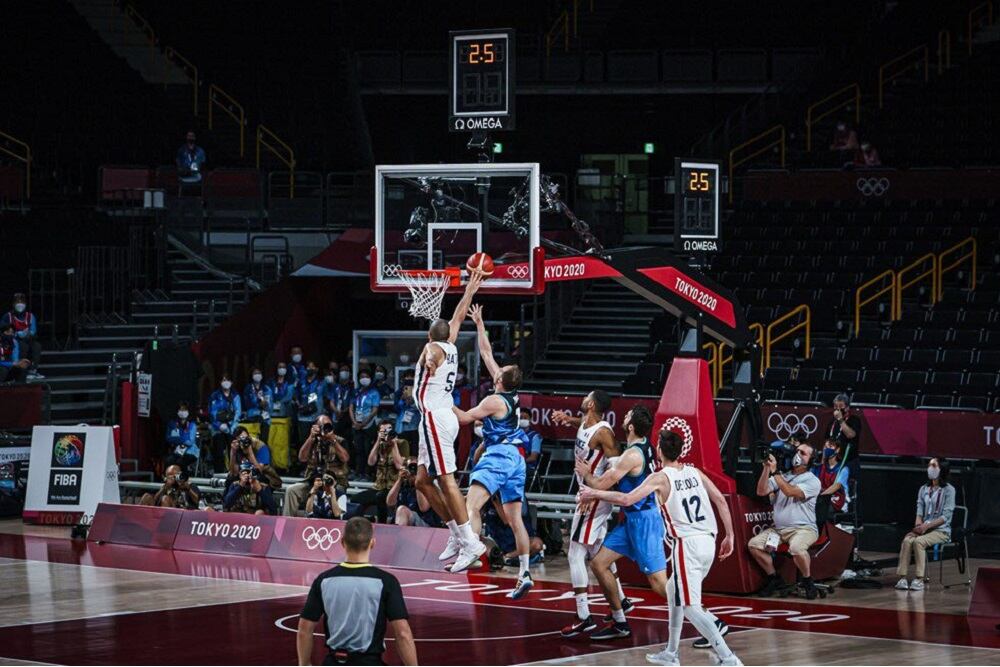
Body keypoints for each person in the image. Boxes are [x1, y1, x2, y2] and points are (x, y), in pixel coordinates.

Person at [579, 428, 741, 666]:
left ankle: (728, 657)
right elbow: (720, 500)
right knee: (674, 593)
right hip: (709, 541)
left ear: (659, 451)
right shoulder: (695, 471)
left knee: (690, 607)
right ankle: (671, 653)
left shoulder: (660, 478)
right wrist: (730, 536)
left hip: (687, 545)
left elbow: (626, 499)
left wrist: (594, 492)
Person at [453, 303, 532, 593]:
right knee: (515, 520)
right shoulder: (511, 393)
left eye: (501, 369)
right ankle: (525, 573)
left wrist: (441, 399)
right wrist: (479, 323)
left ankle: (472, 551)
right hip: (516, 459)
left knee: (470, 506)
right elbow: (486, 353)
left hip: (499, 455)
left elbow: (464, 418)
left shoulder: (493, 401)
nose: (497, 367)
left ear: (500, 380)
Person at [412, 270, 486, 573]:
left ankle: (471, 542)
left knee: (446, 480)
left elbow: (431, 355)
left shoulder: (433, 348)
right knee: (421, 481)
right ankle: (456, 534)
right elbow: (458, 316)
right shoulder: (451, 345)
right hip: (440, 417)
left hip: (436, 419)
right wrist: (469, 290)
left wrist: (429, 361)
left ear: (429, 336)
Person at [573, 405, 667, 640]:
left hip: (645, 521)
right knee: (598, 564)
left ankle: (706, 617)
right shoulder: (644, 446)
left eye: (627, 416)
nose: (623, 417)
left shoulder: (631, 456)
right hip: (632, 520)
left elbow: (600, 485)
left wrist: (586, 474)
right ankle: (619, 621)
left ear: (631, 426)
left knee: (659, 584)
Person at [552, 390, 631, 638]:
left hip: (592, 498)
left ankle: (583, 615)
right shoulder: (587, 423)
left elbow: (616, 468)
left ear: (591, 404)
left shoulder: (604, 433)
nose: (583, 399)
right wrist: (568, 419)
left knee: (575, 553)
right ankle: (621, 602)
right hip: (588, 493)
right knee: (597, 552)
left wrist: (595, 492)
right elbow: (584, 427)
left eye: (587, 397)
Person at [297, 517, 417, 666]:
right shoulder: (386, 582)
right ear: (372, 543)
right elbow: (402, 633)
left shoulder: (323, 580)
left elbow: (304, 629)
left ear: (342, 542)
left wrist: (304, 664)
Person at [748, 442, 822, 599]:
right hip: (779, 530)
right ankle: (774, 578)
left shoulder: (812, 480)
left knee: (796, 548)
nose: (798, 454)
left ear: (811, 460)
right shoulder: (784, 476)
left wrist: (775, 472)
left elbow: (789, 491)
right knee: (754, 545)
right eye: (797, 451)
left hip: (804, 528)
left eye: (803, 453)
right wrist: (766, 468)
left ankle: (807, 580)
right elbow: (761, 491)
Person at [895, 457, 956, 591]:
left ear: (942, 469)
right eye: (929, 466)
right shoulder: (923, 489)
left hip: (941, 531)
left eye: (934, 466)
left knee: (919, 542)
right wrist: (918, 528)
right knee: (907, 540)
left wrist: (926, 527)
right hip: (924, 529)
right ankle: (902, 577)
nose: (930, 469)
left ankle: (919, 579)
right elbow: (919, 510)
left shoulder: (949, 490)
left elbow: (945, 517)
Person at [285, 415, 351, 517]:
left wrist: (333, 440)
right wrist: (311, 438)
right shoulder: (312, 440)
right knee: (291, 490)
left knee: (338, 492)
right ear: (316, 427)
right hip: (313, 481)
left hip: (334, 483)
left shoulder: (340, 441)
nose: (326, 429)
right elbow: (302, 458)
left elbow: (345, 458)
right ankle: (287, 522)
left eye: (329, 425)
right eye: (323, 426)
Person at [347, 421, 404, 524]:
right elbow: (371, 462)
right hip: (378, 487)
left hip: (393, 488)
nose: (387, 433)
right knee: (355, 499)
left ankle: (382, 525)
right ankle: (365, 523)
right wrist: (378, 441)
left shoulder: (401, 444)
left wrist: (394, 445)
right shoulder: (378, 446)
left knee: (380, 497)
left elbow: (399, 465)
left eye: (389, 430)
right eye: (384, 431)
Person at [350, 368, 382, 480]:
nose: (364, 379)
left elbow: (374, 410)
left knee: (368, 448)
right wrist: (354, 421)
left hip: (369, 425)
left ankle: (368, 473)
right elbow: (351, 407)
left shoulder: (374, 392)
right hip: (356, 424)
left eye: (367, 377)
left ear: (371, 378)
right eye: (362, 377)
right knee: (358, 449)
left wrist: (364, 423)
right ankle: (358, 472)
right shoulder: (356, 392)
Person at [0, 293, 42, 379]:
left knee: (37, 346)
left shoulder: (30, 316)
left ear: (25, 304)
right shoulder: (8, 316)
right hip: (12, 339)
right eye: (17, 302)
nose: (20, 304)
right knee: (23, 346)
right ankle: (20, 369)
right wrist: (17, 334)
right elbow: (3, 330)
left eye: (22, 302)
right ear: (13, 304)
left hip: (27, 339)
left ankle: (32, 371)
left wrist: (28, 333)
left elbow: (33, 331)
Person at [389, 458, 440, 528]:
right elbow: (390, 503)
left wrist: (418, 482)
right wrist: (399, 480)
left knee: (402, 510)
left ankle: (398, 534)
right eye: (410, 467)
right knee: (401, 510)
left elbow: (424, 508)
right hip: (405, 523)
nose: (413, 470)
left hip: (425, 525)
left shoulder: (427, 484)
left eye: (416, 467)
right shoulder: (403, 485)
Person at [208, 374, 242, 473]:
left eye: (227, 380)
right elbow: (212, 413)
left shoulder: (235, 395)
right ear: (220, 382)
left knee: (233, 451)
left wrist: (232, 427)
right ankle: (218, 473)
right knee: (219, 451)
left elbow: (238, 412)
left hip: (231, 427)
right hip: (218, 428)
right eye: (223, 380)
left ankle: (234, 473)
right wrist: (219, 425)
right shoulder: (215, 395)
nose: (226, 382)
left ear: (231, 382)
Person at [813, 436, 850, 519]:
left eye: (830, 446)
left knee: (820, 509)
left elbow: (835, 486)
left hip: (837, 500)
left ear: (837, 449)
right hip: (821, 499)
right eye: (825, 447)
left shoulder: (843, 469)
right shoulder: (820, 467)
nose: (827, 449)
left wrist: (820, 496)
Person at [826, 394, 861, 475]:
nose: (838, 409)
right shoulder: (832, 422)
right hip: (833, 461)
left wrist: (841, 420)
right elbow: (826, 441)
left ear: (847, 407)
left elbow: (850, 435)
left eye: (841, 406)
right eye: (835, 406)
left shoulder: (854, 419)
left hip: (849, 461)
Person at [296, 361, 326, 448]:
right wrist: (299, 405)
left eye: (312, 367)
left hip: (316, 417)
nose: (310, 369)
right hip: (303, 417)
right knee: (304, 442)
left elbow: (326, 398)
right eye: (308, 367)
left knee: (317, 442)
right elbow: (296, 396)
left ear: (316, 369)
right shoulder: (301, 382)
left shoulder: (321, 382)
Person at [164, 401, 199, 475]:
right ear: (177, 411)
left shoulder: (192, 425)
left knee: (180, 462)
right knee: (168, 461)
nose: (182, 412)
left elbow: (190, 442)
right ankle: (169, 479)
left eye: (184, 410)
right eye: (180, 410)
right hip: (177, 451)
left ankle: (183, 479)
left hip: (190, 451)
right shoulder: (173, 424)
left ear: (188, 412)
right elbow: (168, 438)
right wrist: (181, 439)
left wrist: (177, 439)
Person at [243, 367, 273, 443]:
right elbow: (247, 404)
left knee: (264, 440)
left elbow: (269, 404)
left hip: (265, 418)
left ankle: (263, 449)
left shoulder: (266, 388)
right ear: (252, 376)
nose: (257, 375)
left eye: (259, 373)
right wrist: (258, 404)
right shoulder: (248, 388)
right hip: (252, 416)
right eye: (255, 373)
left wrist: (265, 404)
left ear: (262, 375)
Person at [393, 370, 419, 448]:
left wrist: (413, 403)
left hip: (415, 426)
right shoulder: (398, 393)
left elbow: (422, 408)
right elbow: (396, 409)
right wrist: (402, 400)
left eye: (412, 376)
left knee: (414, 450)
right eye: (407, 376)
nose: (409, 378)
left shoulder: (419, 392)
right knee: (403, 450)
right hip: (402, 427)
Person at [328, 364, 355, 435]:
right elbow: (331, 402)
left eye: (346, 370)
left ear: (350, 373)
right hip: (335, 417)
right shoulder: (335, 387)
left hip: (347, 417)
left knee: (346, 438)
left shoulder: (352, 388)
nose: (344, 372)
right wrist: (336, 411)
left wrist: (343, 412)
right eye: (342, 370)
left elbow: (352, 403)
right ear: (339, 373)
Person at [518, 408, 543, 475]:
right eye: (521, 418)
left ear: (530, 420)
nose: (523, 420)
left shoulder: (535, 437)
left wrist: (518, 463)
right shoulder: (513, 435)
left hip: (528, 467)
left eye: (525, 418)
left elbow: (533, 458)